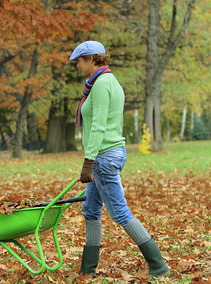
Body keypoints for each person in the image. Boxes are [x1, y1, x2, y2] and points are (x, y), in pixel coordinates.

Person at [69, 41, 169, 277]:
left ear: (92, 58)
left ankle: (158, 265)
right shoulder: (105, 81)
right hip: (105, 155)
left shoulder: (102, 84)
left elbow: (99, 127)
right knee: (90, 210)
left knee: (120, 213)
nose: (78, 66)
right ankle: (88, 270)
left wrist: (88, 161)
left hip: (103, 157)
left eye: (80, 61)